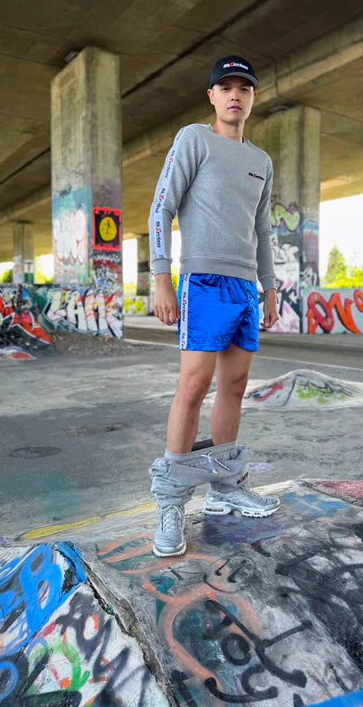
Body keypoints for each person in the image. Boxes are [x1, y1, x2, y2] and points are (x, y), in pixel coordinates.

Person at [147, 55, 280, 557]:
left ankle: (225, 487)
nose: (235, 95)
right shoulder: (194, 139)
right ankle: (170, 502)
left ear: (252, 97)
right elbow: (162, 207)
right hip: (202, 281)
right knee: (193, 386)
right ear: (212, 96)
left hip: (245, 288)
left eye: (243, 88)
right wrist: (161, 277)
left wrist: (269, 288)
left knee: (235, 386)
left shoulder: (261, 160)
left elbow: (262, 229)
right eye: (225, 87)